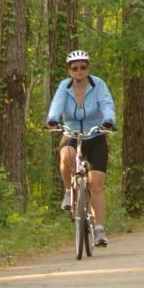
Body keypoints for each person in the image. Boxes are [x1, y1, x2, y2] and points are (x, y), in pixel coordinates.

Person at [46, 50, 116, 246]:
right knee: (66, 156)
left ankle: (100, 229)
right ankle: (69, 191)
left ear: (88, 68)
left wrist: (109, 120)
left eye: (83, 67)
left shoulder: (98, 84)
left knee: (96, 184)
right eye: (74, 68)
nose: (79, 71)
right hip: (72, 132)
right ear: (69, 70)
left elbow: (107, 104)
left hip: (95, 134)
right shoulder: (64, 86)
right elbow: (57, 104)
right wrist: (52, 119)